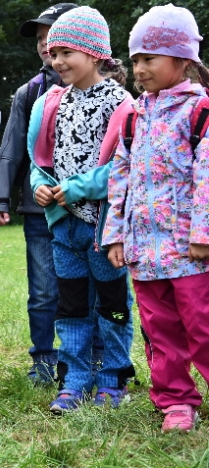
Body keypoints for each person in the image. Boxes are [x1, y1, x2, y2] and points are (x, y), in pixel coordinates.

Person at [103, 4, 209, 432]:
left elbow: (208, 176)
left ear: (182, 60)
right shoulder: (133, 114)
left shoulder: (199, 113)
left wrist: (204, 232)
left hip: (190, 252)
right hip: (145, 253)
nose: (140, 68)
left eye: (149, 58)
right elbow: (119, 177)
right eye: (135, 59)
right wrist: (115, 235)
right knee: (160, 333)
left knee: (202, 326)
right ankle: (176, 401)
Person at [27, 6, 135, 413]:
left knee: (111, 304)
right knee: (70, 306)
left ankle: (112, 378)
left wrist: (73, 189)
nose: (56, 61)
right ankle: (75, 378)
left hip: (104, 231)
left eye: (66, 52)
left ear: (94, 54)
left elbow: (122, 165)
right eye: (53, 52)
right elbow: (42, 159)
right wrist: (41, 187)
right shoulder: (56, 101)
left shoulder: (119, 102)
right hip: (65, 229)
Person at [0, 3, 79, 386]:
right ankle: (43, 360)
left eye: (52, 37)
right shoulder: (29, 93)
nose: (45, 46)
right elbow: (11, 149)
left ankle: (91, 357)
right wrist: (1, 199)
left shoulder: (107, 90)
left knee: (84, 291)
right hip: (38, 210)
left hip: (85, 209)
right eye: (41, 40)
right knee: (43, 292)